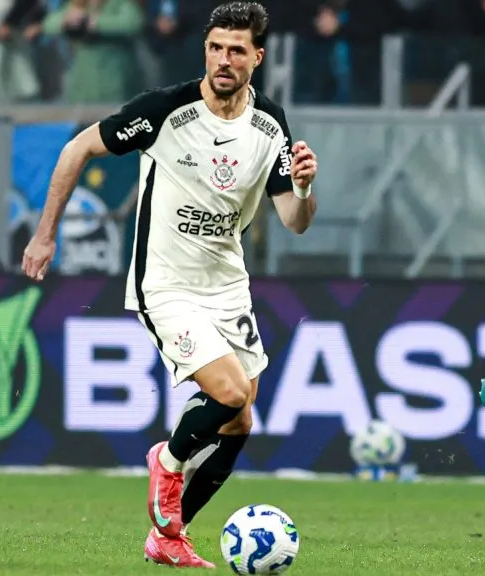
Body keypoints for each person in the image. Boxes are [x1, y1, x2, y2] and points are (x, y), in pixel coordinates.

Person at [22, 1, 319, 568]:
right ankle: (168, 460)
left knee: (241, 417)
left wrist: (303, 188)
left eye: (236, 49)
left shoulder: (270, 124)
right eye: (215, 47)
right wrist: (44, 235)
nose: (223, 59)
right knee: (229, 393)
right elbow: (77, 148)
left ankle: (167, 535)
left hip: (227, 284)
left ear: (257, 56)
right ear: (204, 49)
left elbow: (294, 222)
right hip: (166, 283)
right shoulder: (166, 111)